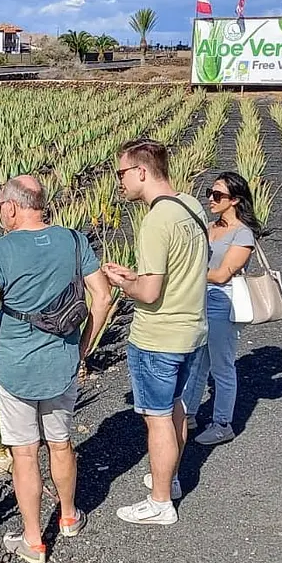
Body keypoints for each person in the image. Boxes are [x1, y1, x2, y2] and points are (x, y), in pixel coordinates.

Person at [0, 175, 113, 563]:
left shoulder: (0, 250)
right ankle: (68, 517)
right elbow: (101, 296)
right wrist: (84, 345)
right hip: (62, 362)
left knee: (24, 454)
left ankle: (34, 541)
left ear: (13, 206)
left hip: (15, 364)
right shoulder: (73, 240)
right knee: (61, 442)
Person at [102, 139, 208, 525]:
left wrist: (123, 284)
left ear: (142, 172)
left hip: (158, 337)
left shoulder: (155, 221)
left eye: (122, 174)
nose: (120, 182)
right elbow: (180, 271)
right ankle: (172, 479)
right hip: (193, 330)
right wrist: (136, 277)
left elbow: (149, 292)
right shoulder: (191, 206)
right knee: (178, 410)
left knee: (158, 418)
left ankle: (160, 501)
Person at [183, 172, 260, 445]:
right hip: (199, 299)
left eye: (218, 195)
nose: (211, 199)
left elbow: (223, 273)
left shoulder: (243, 234)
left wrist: (186, 272)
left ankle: (222, 423)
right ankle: (189, 414)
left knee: (222, 366)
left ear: (235, 199)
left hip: (222, 302)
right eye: (210, 193)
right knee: (197, 362)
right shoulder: (210, 227)